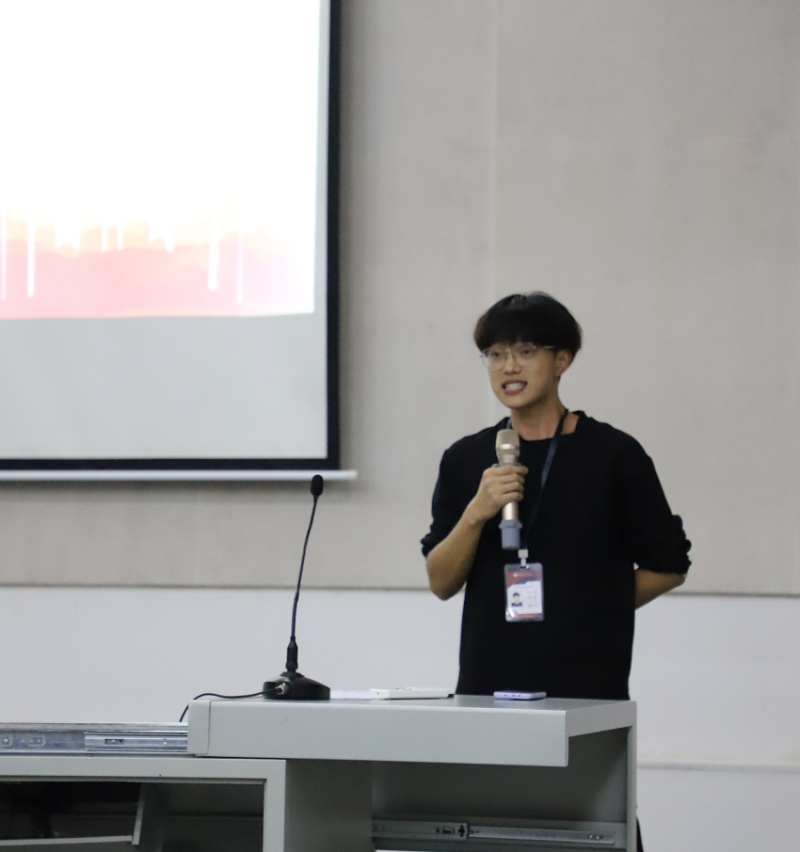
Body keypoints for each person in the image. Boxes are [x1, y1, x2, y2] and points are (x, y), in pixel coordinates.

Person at [421, 293, 690, 851]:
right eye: (495, 354)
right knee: (485, 829)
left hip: (585, 695)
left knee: (596, 830)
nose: (509, 367)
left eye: (525, 351)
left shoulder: (614, 455)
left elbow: (669, 566)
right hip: (488, 693)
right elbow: (441, 581)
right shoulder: (467, 459)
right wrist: (477, 510)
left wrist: (592, 604)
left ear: (562, 360)